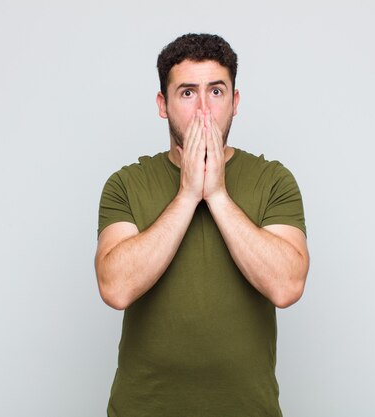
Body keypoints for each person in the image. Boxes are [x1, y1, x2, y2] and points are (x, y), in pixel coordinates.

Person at [95, 33, 310, 417]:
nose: (204, 111)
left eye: (216, 92)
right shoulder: (125, 184)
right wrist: (187, 195)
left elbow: (286, 285)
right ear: (163, 104)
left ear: (235, 101)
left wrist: (219, 195)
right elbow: (116, 288)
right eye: (187, 93)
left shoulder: (273, 180)